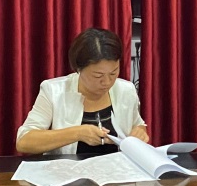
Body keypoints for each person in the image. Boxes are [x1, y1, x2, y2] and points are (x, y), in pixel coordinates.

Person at [16, 27, 148, 156]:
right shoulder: (53, 91)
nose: (107, 82)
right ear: (78, 69)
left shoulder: (126, 90)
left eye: (113, 73)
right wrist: (77, 133)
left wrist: (140, 131)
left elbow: (138, 124)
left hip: (117, 169)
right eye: (98, 76)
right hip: (68, 169)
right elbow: (24, 141)